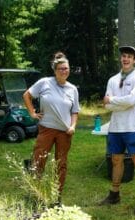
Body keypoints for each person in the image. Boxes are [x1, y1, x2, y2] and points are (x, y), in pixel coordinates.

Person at [99, 46, 135, 215]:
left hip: (132, 127)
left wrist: (114, 101)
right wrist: (118, 103)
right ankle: (114, 195)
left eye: (129, 56)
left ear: (134, 59)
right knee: (115, 160)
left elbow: (131, 101)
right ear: (120, 59)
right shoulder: (112, 79)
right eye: (123, 56)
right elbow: (106, 105)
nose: (125, 59)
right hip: (115, 127)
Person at [22, 52, 80, 195]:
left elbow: (75, 111)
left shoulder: (73, 89)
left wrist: (73, 126)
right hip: (46, 129)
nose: (64, 71)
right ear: (55, 70)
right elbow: (27, 95)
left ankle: (56, 195)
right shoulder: (44, 82)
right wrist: (32, 113)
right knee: (38, 160)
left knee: (61, 164)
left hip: (64, 132)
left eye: (66, 68)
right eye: (61, 69)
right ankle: (34, 192)